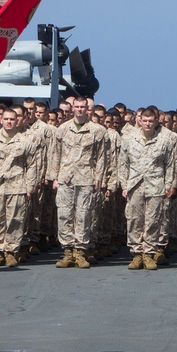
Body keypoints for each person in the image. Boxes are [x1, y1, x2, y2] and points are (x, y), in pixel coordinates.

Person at [47, 95, 109, 269]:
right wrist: (55, 177)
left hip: (86, 178)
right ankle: (68, 252)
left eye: (84, 107)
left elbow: (102, 157)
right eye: (77, 107)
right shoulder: (62, 129)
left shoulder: (98, 131)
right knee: (64, 214)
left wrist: (99, 178)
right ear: (72, 108)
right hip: (66, 177)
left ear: (88, 110)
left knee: (83, 215)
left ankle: (81, 252)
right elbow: (55, 154)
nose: (80, 110)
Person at [119, 107, 177, 270]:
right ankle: (137, 254)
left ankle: (149, 253)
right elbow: (123, 163)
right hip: (135, 186)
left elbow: (170, 165)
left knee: (153, 221)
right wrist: (124, 185)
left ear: (156, 121)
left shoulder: (164, 140)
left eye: (150, 121)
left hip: (156, 186)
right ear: (140, 121)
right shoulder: (129, 139)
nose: (147, 124)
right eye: (144, 120)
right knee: (134, 220)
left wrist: (169, 186)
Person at [0, 108, 35, 268]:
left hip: (17, 185)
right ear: (0, 120)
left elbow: (32, 165)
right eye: (6, 119)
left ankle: (11, 252)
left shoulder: (25, 141)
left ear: (17, 121)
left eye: (12, 119)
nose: (8, 122)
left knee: (15, 220)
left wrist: (30, 187)